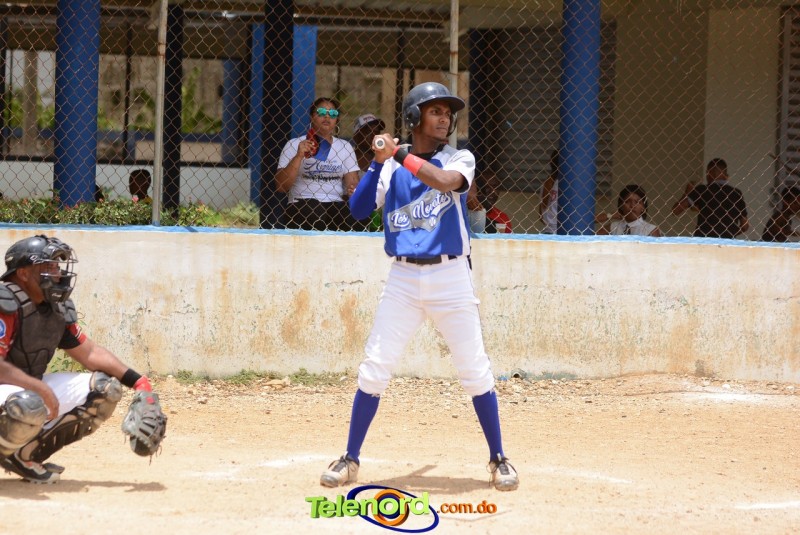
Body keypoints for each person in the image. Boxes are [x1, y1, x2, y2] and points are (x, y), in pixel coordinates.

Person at [321, 82, 519, 492]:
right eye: (435, 111)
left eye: (448, 112)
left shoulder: (458, 157)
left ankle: (498, 457)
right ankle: (350, 457)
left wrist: (397, 154)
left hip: (451, 276)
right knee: (375, 366)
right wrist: (377, 163)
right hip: (404, 279)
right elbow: (358, 209)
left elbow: (445, 182)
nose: (445, 118)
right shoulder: (391, 166)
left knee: (474, 369)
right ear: (414, 117)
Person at [0, 235, 157, 483]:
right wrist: (39, 387)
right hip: (15, 392)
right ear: (23, 274)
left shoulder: (55, 309)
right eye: (48, 267)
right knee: (28, 402)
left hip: (20, 391)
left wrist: (139, 383)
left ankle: (24, 455)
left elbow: (90, 353)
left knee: (104, 390)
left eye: (57, 266)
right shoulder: (5, 304)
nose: (57, 273)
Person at [275, 97, 360, 231]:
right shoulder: (294, 144)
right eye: (321, 112)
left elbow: (353, 186)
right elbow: (281, 186)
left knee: (352, 214)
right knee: (315, 210)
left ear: (337, 120)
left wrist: (354, 191)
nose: (327, 116)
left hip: (334, 204)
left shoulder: (345, 147)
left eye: (333, 113)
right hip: (303, 202)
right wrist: (299, 156)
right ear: (312, 117)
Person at [672, 158, 750, 238]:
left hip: (704, 239)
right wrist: (731, 234)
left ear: (708, 173)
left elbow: (676, 210)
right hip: (727, 241)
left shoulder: (702, 190)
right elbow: (745, 226)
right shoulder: (736, 193)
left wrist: (687, 192)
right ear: (726, 176)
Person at [352, 114, 387, 231]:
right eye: (368, 131)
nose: (373, 136)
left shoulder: (386, 161)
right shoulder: (347, 157)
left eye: (376, 132)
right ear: (357, 135)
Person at [596, 184, 661, 236]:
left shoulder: (651, 230)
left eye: (637, 202)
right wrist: (610, 215)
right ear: (621, 206)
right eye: (627, 201)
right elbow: (590, 221)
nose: (632, 206)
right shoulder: (613, 227)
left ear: (643, 208)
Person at [479, 167, 512, 234]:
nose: (492, 191)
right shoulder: (467, 214)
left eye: (495, 187)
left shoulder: (502, 218)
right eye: (486, 186)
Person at [539, 149, 559, 234]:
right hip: (561, 233)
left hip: (548, 232)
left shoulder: (548, 182)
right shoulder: (567, 186)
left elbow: (541, 215)